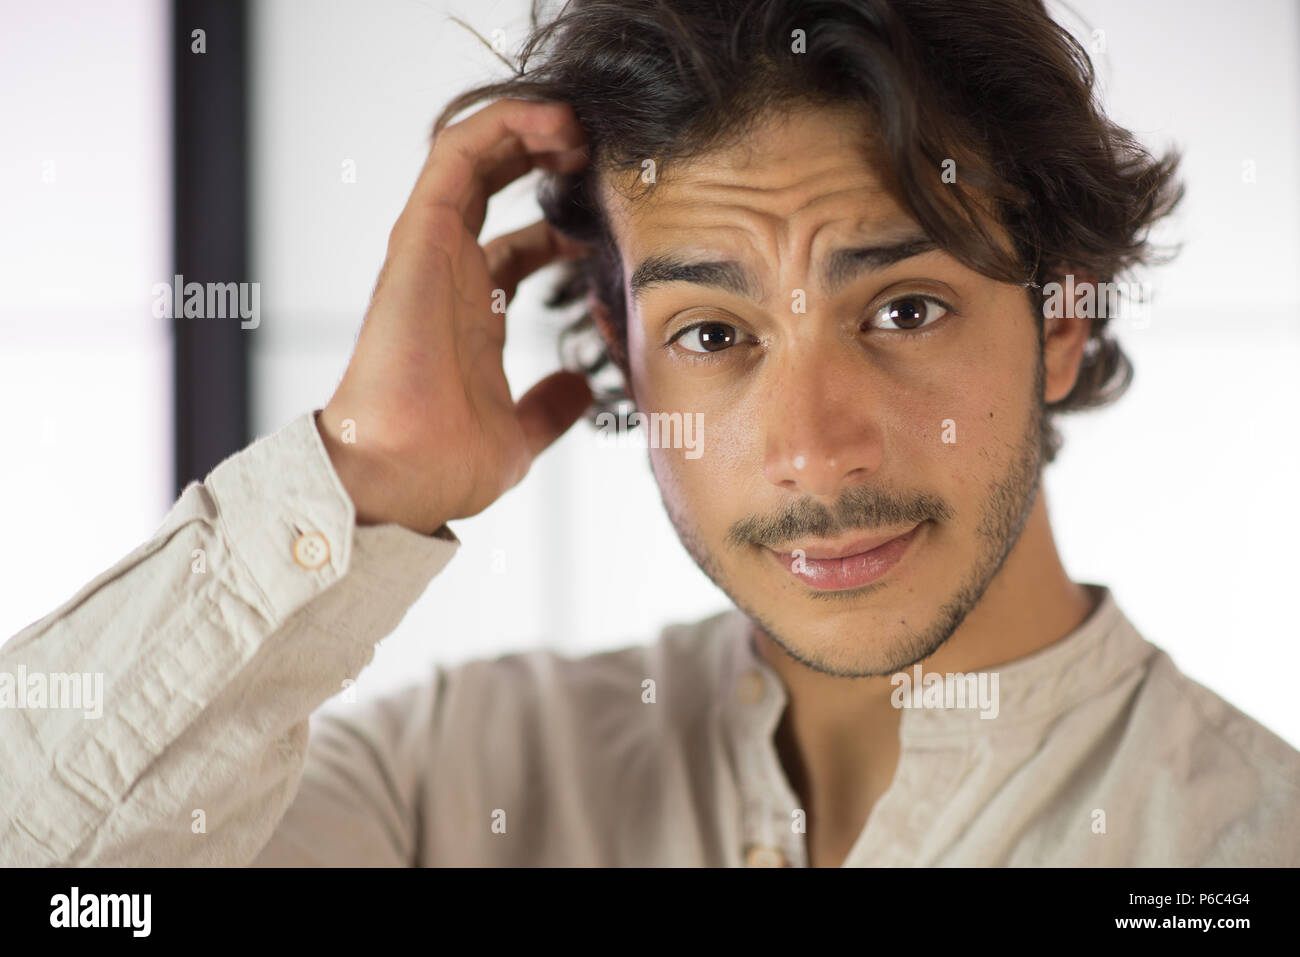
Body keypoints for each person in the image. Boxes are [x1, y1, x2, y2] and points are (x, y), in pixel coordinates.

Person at [3, 0, 1298, 867]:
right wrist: (362, 480)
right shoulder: (458, 782)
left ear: (1062, 322)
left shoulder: (1246, 842)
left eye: (903, 306)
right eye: (714, 335)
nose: (812, 450)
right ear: (622, 352)